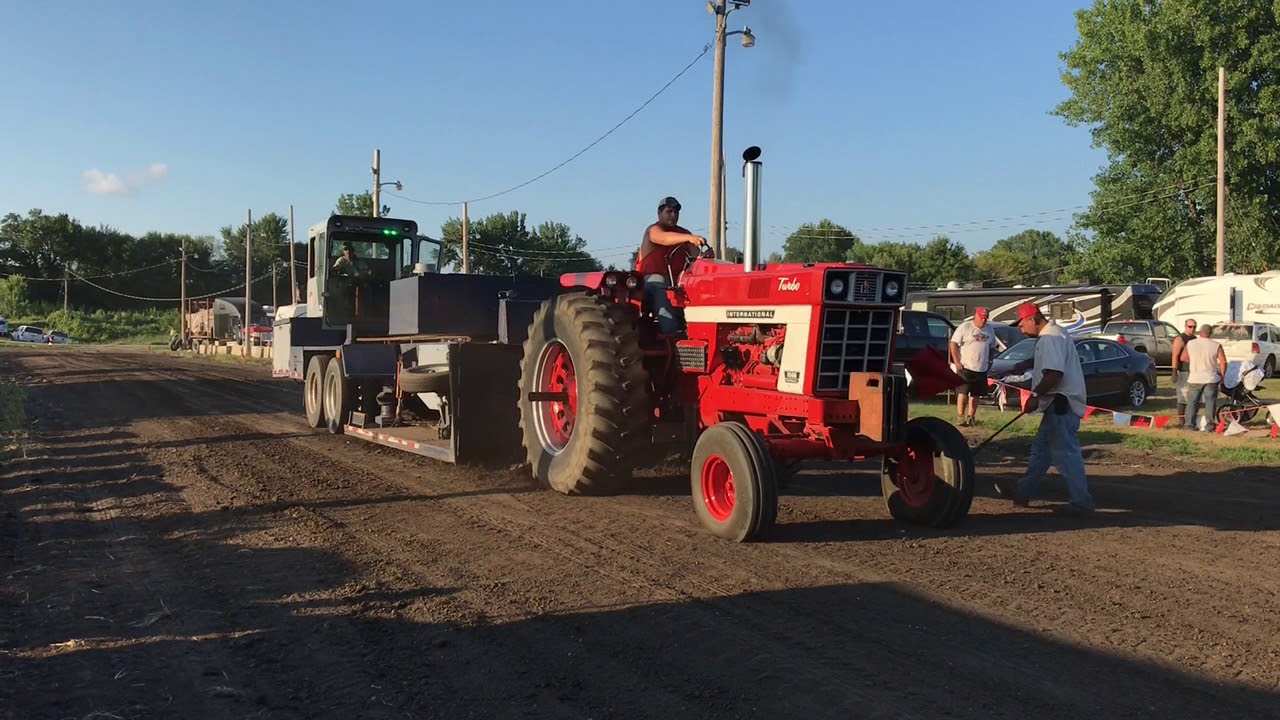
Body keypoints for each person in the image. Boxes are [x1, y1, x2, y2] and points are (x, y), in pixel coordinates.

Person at [994, 302, 1095, 515]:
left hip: (1060, 404)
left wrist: (1035, 396)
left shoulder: (1050, 337)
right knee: (1040, 454)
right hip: (1056, 405)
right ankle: (1022, 492)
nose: (1020, 329)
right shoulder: (1054, 334)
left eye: (1021, 324)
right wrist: (1026, 363)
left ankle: (1082, 504)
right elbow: (1051, 362)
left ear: (1032, 319)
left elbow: (1055, 373)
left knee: (1066, 455)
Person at [636, 196, 706, 336]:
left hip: (677, 281)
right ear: (659, 213)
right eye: (669, 212)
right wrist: (689, 238)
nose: (673, 215)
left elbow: (696, 256)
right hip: (650, 282)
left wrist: (705, 255)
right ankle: (672, 333)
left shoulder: (684, 233)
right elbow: (664, 238)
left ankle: (698, 332)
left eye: (676, 212)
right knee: (662, 286)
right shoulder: (653, 230)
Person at [948, 307, 998, 426]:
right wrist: (956, 361)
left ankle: (971, 416)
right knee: (963, 392)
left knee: (976, 394)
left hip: (981, 367)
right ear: (976, 316)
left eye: (986, 319)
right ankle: (960, 416)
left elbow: (992, 347)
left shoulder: (989, 329)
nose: (984, 321)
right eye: (982, 318)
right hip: (965, 366)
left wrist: (990, 360)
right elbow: (953, 343)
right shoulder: (965, 327)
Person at [1184, 324, 1227, 431]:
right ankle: (1210, 425)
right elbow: (1223, 362)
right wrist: (1222, 376)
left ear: (1200, 332)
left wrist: (1194, 360)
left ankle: (1189, 424)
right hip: (1211, 378)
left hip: (1194, 377)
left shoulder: (1190, 343)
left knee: (1192, 402)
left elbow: (1183, 357)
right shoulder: (1216, 345)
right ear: (1210, 333)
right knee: (1210, 402)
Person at [1170, 318, 1197, 421]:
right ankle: (1181, 419)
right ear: (1185, 327)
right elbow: (1175, 356)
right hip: (1183, 370)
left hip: (1194, 371)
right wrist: (1174, 372)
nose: (1192, 329)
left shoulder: (1195, 339)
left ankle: (1191, 418)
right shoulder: (1180, 339)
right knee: (1183, 397)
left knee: (1193, 396)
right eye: (1190, 327)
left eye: (1194, 327)